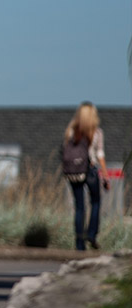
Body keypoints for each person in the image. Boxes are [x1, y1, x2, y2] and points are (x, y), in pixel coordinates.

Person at [63, 101, 109, 251]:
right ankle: (91, 233)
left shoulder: (71, 131)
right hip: (90, 169)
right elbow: (100, 154)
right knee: (95, 201)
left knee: (79, 207)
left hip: (74, 171)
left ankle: (79, 243)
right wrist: (105, 175)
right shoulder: (96, 132)